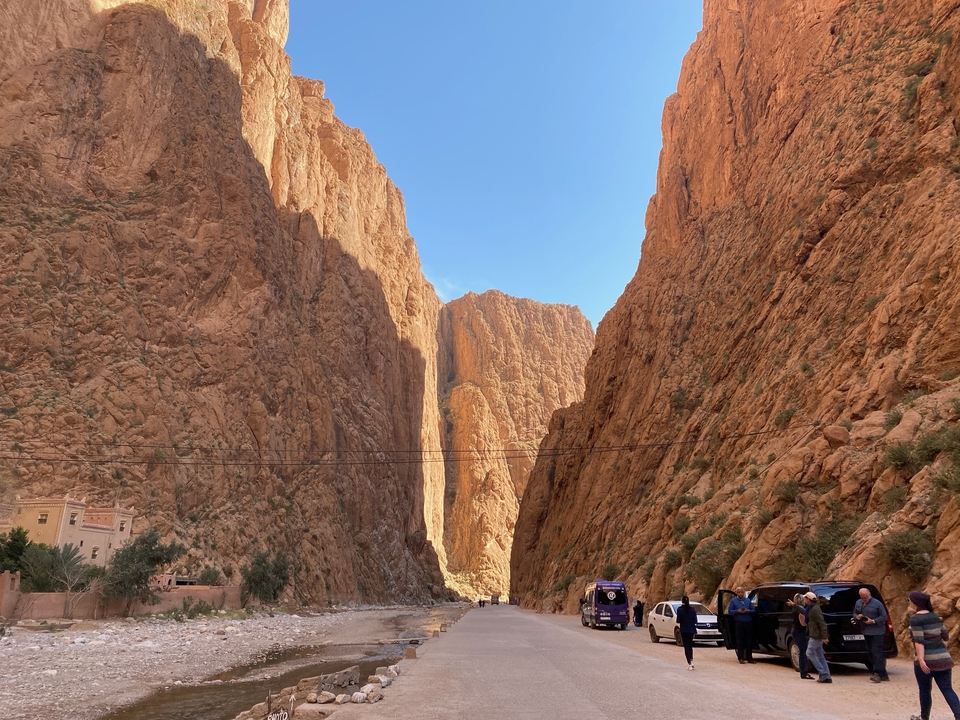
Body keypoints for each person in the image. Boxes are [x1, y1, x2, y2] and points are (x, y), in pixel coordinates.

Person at [908, 590, 960, 720]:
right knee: (947, 689)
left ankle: (924, 717)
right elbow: (945, 636)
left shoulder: (915, 619)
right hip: (943, 659)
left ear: (915, 602)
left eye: (909, 600)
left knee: (925, 690)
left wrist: (921, 660)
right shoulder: (934, 616)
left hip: (926, 660)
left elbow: (918, 641)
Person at [853, 587, 889, 682]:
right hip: (866, 631)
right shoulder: (858, 602)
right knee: (870, 653)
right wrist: (857, 616)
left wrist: (873, 621)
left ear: (869, 595)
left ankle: (876, 674)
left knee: (876, 652)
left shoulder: (877, 603)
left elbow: (884, 616)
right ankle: (884, 674)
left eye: (865, 597)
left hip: (877, 631)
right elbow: (855, 613)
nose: (864, 599)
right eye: (862, 597)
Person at [804, 591, 832, 683]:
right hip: (815, 634)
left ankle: (823, 672)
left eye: (805, 598)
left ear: (808, 599)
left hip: (816, 635)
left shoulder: (814, 609)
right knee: (819, 655)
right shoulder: (811, 608)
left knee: (809, 653)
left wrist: (825, 636)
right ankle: (826, 675)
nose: (804, 600)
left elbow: (822, 623)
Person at [787, 593, 814, 680]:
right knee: (803, 652)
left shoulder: (795, 609)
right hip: (799, 632)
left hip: (796, 631)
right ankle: (804, 672)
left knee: (803, 651)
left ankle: (804, 672)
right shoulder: (799, 610)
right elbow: (803, 620)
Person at [727, 586, 755, 664]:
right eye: (738, 592)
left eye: (742, 592)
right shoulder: (733, 601)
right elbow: (730, 611)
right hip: (739, 623)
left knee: (749, 640)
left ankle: (749, 657)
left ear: (744, 592)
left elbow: (753, 610)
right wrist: (737, 611)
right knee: (740, 641)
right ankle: (741, 657)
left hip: (748, 622)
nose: (740, 593)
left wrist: (748, 611)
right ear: (736, 593)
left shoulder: (748, 601)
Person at [676, 596, 698, 670]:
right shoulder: (692, 609)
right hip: (691, 629)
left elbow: (678, 620)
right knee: (690, 645)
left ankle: (689, 662)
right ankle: (691, 659)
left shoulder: (679, 609)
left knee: (686, 646)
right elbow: (695, 620)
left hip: (684, 630)